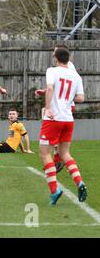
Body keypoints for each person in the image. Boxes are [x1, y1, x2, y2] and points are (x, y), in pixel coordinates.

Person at [38, 46, 86, 205]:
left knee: (45, 154)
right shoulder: (75, 75)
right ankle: (79, 181)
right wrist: (66, 98)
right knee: (65, 153)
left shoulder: (52, 71)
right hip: (68, 119)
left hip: (53, 119)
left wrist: (49, 108)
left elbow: (51, 88)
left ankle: (54, 190)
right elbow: (80, 98)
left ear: (56, 58)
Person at [35, 44, 78, 173]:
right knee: (58, 137)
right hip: (64, 106)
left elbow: (67, 89)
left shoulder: (67, 68)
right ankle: (56, 159)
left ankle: (57, 160)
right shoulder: (65, 68)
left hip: (64, 107)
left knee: (55, 134)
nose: (54, 55)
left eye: (55, 52)